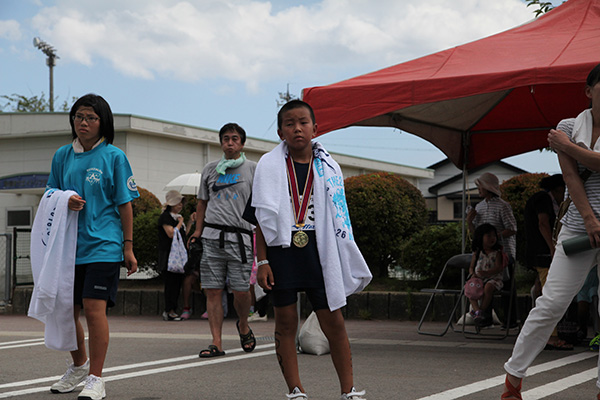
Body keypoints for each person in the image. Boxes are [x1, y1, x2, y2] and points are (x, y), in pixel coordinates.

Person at [252, 100, 372, 400]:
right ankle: (295, 390)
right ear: (280, 132)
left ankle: (348, 390)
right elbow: (260, 219)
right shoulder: (269, 166)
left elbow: (339, 215)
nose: (297, 129)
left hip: (321, 251)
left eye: (303, 122)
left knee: (334, 321)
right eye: (289, 123)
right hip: (282, 250)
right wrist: (262, 261)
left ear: (315, 128)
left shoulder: (329, 167)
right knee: (285, 322)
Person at [502, 63, 600, 400]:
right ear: (588, 91)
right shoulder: (569, 126)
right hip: (578, 228)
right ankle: (512, 381)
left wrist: (565, 146)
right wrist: (589, 220)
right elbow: (570, 177)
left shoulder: (564, 137)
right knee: (551, 303)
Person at [46, 94, 139, 399]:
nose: (83, 123)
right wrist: (64, 199)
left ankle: (96, 378)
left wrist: (127, 247)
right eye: (78, 117)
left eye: (90, 118)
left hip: (103, 244)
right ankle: (78, 366)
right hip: (68, 247)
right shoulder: (62, 155)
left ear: (103, 122)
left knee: (93, 308)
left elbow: (125, 205)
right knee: (65, 311)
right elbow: (50, 192)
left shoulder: (114, 156)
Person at [189, 122, 257, 358]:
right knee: (213, 290)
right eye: (226, 138)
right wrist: (197, 231)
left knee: (241, 291)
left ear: (242, 143)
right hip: (211, 237)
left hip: (241, 237)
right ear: (221, 143)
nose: (230, 142)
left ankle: (243, 324)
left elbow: (261, 204)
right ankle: (216, 342)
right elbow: (202, 203)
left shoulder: (252, 169)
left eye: (235, 138)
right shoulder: (210, 169)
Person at [524, 174, 572, 350]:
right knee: (550, 294)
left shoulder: (539, 198)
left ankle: (538, 334)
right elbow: (543, 223)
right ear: (558, 189)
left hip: (537, 251)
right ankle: (551, 336)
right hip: (542, 252)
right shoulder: (544, 199)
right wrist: (553, 248)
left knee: (542, 290)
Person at [467, 172, 517, 328]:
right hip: (485, 253)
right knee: (483, 285)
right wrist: (469, 222)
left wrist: (494, 237)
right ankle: (485, 317)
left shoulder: (503, 206)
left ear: (487, 187)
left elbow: (512, 228)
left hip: (504, 252)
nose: (478, 189)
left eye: (480, 186)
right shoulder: (479, 207)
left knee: (506, 285)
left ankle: (510, 320)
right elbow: (477, 234)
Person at [158, 190, 194, 321]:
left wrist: (189, 222)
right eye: (178, 203)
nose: (180, 205)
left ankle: (173, 310)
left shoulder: (178, 217)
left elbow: (183, 234)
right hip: (169, 255)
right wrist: (180, 222)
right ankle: (169, 310)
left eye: (181, 203)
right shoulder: (165, 217)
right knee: (170, 284)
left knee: (178, 283)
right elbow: (171, 233)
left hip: (179, 256)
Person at [468, 224, 505, 327]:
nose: (492, 238)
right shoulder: (477, 253)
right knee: (470, 289)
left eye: (494, 235)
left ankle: (481, 311)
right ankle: (477, 310)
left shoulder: (497, 253)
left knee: (488, 287)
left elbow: (499, 268)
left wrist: (487, 273)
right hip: (479, 279)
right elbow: (471, 267)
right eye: (488, 236)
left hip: (494, 279)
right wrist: (473, 274)